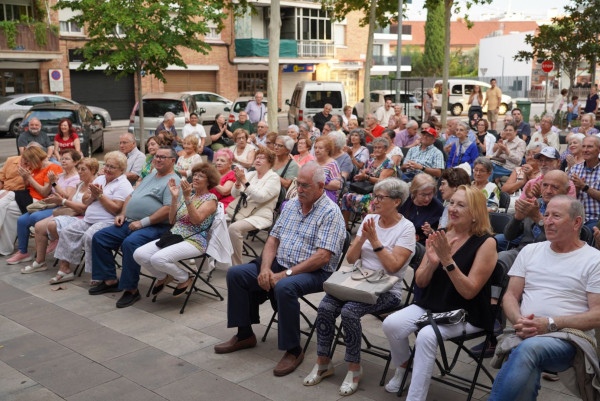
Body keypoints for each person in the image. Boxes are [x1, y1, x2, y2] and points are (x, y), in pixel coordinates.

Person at [213, 162, 346, 378]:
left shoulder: (331, 213)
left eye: (305, 186)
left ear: (321, 186)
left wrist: (285, 274)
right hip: (280, 262)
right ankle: (244, 333)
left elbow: (323, 257)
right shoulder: (293, 204)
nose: (299, 190)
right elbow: (273, 239)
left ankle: (293, 349)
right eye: (297, 184)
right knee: (236, 274)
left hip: (314, 271)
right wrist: (265, 268)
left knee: (284, 286)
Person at [304, 178, 415, 396]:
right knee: (326, 307)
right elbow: (351, 258)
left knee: (349, 312)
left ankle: (355, 368)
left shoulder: (406, 228)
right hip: (358, 282)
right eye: (375, 196)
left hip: (385, 289)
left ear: (396, 201)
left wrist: (375, 242)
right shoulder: (370, 219)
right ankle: (323, 362)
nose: (375, 201)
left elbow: (393, 267)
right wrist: (362, 237)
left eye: (380, 197)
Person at [383, 185, 497, 397]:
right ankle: (405, 366)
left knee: (427, 334)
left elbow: (469, 292)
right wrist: (433, 263)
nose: (452, 208)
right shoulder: (441, 234)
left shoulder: (486, 243)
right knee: (391, 324)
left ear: (475, 213)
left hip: (466, 313)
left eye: (461, 205)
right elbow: (420, 282)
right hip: (432, 305)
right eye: (452, 202)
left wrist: (447, 261)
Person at [488, 196, 600, 401]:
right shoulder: (530, 251)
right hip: (525, 329)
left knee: (528, 348)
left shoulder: (594, 259)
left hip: (568, 336)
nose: (547, 221)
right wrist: (519, 320)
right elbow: (511, 295)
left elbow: (597, 314)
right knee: (528, 354)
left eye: (556, 216)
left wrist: (550, 324)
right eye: (546, 214)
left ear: (577, 222)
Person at [89, 147, 181, 308]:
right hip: (129, 221)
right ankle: (110, 279)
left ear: (172, 161)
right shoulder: (152, 175)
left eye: (162, 157)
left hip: (155, 226)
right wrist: (123, 214)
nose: (157, 159)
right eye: (156, 156)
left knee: (130, 243)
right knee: (99, 237)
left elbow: (168, 209)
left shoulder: (173, 180)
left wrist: (142, 222)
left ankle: (131, 290)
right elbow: (132, 195)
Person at [133, 163, 219, 297]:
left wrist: (187, 198)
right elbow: (172, 220)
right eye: (195, 175)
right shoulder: (189, 195)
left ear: (209, 181)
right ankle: (163, 276)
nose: (195, 178)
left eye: (201, 176)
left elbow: (196, 220)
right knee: (139, 254)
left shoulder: (210, 199)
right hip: (174, 236)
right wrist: (174, 197)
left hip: (194, 240)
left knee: (158, 259)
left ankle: (185, 277)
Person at [53, 152, 131, 282]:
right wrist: (93, 197)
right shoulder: (100, 179)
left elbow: (115, 209)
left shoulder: (123, 184)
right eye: (106, 165)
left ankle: (97, 274)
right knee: (67, 231)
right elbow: (84, 200)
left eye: (112, 167)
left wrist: (100, 196)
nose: (107, 169)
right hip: (89, 219)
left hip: (107, 222)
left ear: (121, 170)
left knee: (90, 236)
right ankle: (65, 269)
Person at [25, 156, 96, 278]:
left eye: (83, 169)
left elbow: (83, 207)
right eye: (79, 169)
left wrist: (61, 200)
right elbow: (68, 199)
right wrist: (56, 199)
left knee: (53, 225)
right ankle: (40, 261)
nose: (80, 172)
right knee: (38, 226)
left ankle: (67, 261)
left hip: (82, 216)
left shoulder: (95, 185)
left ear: (93, 170)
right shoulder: (79, 184)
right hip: (71, 212)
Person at [7, 148, 76, 265]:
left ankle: (52, 237)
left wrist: (52, 183)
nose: (63, 161)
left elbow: (65, 196)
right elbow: (49, 190)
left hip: (62, 207)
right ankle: (23, 252)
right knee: (22, 220)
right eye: (62, 158)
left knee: (33, 217)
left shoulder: (74, 178)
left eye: (67, 159)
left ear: (75, 162)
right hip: (51, 202)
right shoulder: (61, 174)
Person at [227, 148, 281, 266]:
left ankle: (236, 266)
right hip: (243, 212)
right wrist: (237, 182)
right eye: (257, 157)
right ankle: (211, 260)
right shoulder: (251, 174)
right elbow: (235, 194)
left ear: (270, 161)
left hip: (260, 216)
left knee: (234, 228)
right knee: (216, 221)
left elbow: (260, 197)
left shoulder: (273, 178)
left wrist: (244, 181)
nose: (258, 160)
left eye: (262, 158)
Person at [341, 137, 396, 227]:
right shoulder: (371, 161)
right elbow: (364, 171)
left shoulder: (389, 164)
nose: (376, 150)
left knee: (366, 199)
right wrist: (360, 176)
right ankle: (345, 226)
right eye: (375, 147)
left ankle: (368, 228)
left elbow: (381, 181)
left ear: (385, 149)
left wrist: (366, 177)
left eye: (379, 147)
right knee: (346, 196)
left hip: (382, 193)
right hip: (367, 189)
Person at [399, 173, 444, 243]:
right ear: (414, 192)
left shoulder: (438, 207)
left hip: (422, 244)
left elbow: (441, 233)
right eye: (423, 195)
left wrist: (431, 231)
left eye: (430, 194)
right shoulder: (405, 200)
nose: (427, 198)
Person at [570, 135, 600, 229]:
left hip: (595, 218)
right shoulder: (575, 168)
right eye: (583, 146)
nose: (585, 150)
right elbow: (567, 197)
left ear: (599, 150)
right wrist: (577, 189)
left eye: (590, 146)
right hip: (574, 217)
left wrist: (584, 187)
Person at [0, 153, 26, 255]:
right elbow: (1, 178)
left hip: (20, 195)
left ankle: (4, 249)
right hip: (5, 190)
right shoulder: (11, 160)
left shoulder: (36, 165)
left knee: (8, 208)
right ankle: (4, 248)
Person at [314, 136, 342, 203]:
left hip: (326, 198)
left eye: (320, 148)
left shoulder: (332, 164)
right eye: (315, 148)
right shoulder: (311, 163)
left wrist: (317, 183)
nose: (317, 150)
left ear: (328, 150)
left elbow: (337, 185)